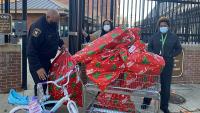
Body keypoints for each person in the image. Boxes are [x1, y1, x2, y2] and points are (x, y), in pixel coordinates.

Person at [141, 17, 182, 113]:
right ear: (159, 27)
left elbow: (179, 49)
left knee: (166, 86)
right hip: (155, 64)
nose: (163, 27)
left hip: (167, 64)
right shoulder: (154, 36)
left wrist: (170, 55)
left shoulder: (173, 37)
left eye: (165, 25)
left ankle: (164, 106)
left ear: (168, 26)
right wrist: (153, 55)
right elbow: (149, 47)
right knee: (151, 83)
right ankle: (146, 102)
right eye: (161, 26)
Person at [27, 9, 67, 96]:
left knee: (45, 83)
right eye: (55, 20)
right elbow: (31, 50)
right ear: (48, 17)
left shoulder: (53, 24)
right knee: (40, 85)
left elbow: (56, 36)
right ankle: (38, 106)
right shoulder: (37, 28)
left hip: (46, 60)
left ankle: (43, 103)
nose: (56, 23)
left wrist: (61, 44)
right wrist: (38, 68)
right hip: (37, 61)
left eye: (57, 21)